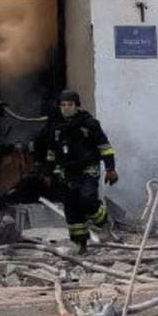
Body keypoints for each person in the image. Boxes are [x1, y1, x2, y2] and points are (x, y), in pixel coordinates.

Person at [34, 88, 116, 252]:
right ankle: (81, 244)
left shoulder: (89, 124)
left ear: (77, 106)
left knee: (87, 199)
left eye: (70, 104)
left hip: (88, 169)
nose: (66, 108)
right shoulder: (56, 127)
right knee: (72, 209)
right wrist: (47, 172)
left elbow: (105, 147)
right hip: (65, 172)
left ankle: (104, 223)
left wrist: (110, 169)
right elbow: (51, 152)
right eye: (63, 105)